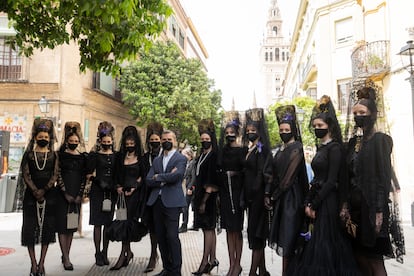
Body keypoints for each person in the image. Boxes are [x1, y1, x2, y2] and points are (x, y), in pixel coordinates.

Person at [288, 95, 360, 275]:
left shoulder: (335, 148)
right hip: (320, 200)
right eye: (315, 126)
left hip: (329, 203)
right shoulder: (322, 149)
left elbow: (331, 181)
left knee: (328, 246)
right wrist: (308, 201)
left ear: (329, 126)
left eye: (320, 126)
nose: (317, 129)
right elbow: (317, 179)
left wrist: (314, 203)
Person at [345, 87, 405, 275]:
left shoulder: (381, 140)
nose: (358, 116)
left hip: (373, 209)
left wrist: (379, 212)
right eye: (355, 113)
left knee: (375, 260)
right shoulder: (353, 143)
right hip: (356, 211)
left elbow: (383, 178)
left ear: (372, 114)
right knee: (359, 256)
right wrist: (345, 205)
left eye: (362, 113)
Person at [264, 105, 308, 275]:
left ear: (292, 130)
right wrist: (268, 193)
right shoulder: (280, 149)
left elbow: (288, 179)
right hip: (281, 199)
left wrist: (273, 196)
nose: (283, 132)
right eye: (281, 129)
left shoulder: (296, 147)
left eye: (286, 129)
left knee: (290, 242)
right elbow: (273, 174)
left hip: (292, 200)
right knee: (284, 240)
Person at [21, 118, 59, 276]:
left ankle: (42, 263)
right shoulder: (29, 154)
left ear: (49, 138)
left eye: (46, 137)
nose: (43, 139)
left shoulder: (54, 155)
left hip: (49, 197)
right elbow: (25, 173)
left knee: (47, 231)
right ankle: (33, 264)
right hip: (31, 197)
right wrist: (35, 191)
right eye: (40, 137)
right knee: (30, 230)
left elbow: (55, 174)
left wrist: (45, 189)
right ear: (35, 137)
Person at [146, 129, 187, 276]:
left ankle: (176, 271)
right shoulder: (157, 160)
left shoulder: (180, 158)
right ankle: (167, 268)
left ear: (174, 140)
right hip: (157, 202)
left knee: (172, 236)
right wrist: (164, 177)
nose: (166, 142)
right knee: (161, 236)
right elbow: (148, 180)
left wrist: (158, 177)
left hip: (173, 203)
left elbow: (177, 176)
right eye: (164, 139)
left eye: (169, 139)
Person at [110, 125, 147, 270]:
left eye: (132, 144)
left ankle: (122, 255)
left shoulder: (141, 158)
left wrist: (134, 188)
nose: (130, 146)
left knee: (128, 223)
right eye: (127, 144)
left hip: (134, 197)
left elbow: (142, 177)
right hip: (121, 198)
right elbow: (116, 175)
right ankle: (128, 252)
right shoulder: (120, 157)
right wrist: (118, 187)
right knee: (121, 222)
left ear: (136, 144)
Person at [242, 108, 272, 276]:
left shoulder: (261, 149)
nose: (250, 133)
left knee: (257, 234)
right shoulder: (251, 149)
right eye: (248, 131)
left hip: (258, 197)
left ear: (259, 131)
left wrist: (260, 194)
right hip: (250, 198)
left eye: (253, 130)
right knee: (254, 232)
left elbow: (263, 172)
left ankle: (253, 272)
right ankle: (262, 270)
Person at [56, 122, 88, 271]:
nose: (74, 143)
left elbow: (83, 177)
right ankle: (66, 258)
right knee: (62, 227)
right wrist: (65, 193)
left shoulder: (82, 157)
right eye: (71, 141)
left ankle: (66, 254)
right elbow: (58, 175)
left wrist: (80, 194)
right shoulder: (60, 155)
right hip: (63, 194)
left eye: (76, 141)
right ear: (67, 141)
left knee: (71, 226)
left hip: (76, 194)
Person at [217, 112, 245, 276]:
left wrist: (235, 174)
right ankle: (231, 263)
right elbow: (218, 169)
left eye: (231, 133)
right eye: (226, 133)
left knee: (237, 229)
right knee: (228, 230)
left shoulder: (243, 150)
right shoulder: (222, 151)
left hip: (237, 193)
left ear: (237, 133)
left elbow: (246, 171)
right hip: (225, 193)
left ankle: (238, 264)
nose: (229, 135)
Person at [192, 119, 220, 275]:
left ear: (212, 139)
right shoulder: (202, 154)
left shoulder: (214, 155)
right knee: (208, 230)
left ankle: (204, 262)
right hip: (200, 195)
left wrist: (204, 201)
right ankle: (213, 259)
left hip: (208, 197)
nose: (204, 141)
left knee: (208, 229)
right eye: (202, 139)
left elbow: (212, 179)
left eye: (207, 139)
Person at [87, 121, 117, 266]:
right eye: (104, 141)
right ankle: (97, 252)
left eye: (109, 142)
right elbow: (88, 173)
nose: (106, 143)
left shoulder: (116, 156)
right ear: (100, 141)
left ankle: (105, 251)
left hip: (111, 192)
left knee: (108, 223)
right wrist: (97, 180)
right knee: (97, 223)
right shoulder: (95, 155)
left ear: (112, 142)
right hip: (98, 191)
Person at [142, 122, 163, 272]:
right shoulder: (145, 157)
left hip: (162, 195)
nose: (154, 142)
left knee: (163, 227)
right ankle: (153, 253)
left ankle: (162, 253)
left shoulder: (165, 155)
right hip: (148, 196)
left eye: (157, 139)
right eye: (152, 140)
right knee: (152, 227)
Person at [179, 147, 196, 233]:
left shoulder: (193, 163)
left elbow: (193, 177)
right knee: (184, 207)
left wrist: (190, 188)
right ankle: (184, 224)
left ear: (189, 155)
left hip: (189, 188)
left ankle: (184, 225)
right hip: (184, 187)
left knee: (185, 207)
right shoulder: (186, 163)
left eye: (183, 154)